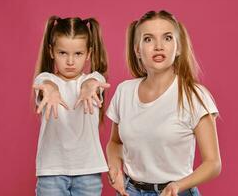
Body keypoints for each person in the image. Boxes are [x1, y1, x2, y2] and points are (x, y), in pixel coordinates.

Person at [106, 10, 221, 196]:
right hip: (129, 191)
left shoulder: (194, 95)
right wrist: (115, 170)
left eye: (167, 38)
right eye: (148, 39)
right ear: (137, 49)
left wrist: (177, 185)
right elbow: (114, 142)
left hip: (176, 192)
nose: (158, 46)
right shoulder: (124, 91)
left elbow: (213, 163)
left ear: (178, 48)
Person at [32, 16, 109, 196]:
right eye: (63, 53)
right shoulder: (45, 80)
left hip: (88, 171)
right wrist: (51, 91)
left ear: (89, 53)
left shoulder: (96, 80)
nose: (70, 61)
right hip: (52, 172)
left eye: (78, 54)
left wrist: (88, 86)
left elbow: (93, 81)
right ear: (51, 51)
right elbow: (45, 84)